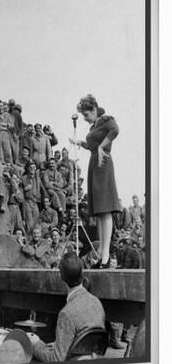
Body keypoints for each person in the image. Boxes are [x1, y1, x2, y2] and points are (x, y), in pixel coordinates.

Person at [70, 94, 120, 268]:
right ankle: (101, 255)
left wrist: (101, 146)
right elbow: (91, 145)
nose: (85, 118)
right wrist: (81, 143)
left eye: (86, 114)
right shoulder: (94, 126)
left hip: (103, 163)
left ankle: (105, 256)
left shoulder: (106, 120)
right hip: (94, 164)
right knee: (99, 212)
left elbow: (115, 130)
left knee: (105, 210)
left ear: (93, 109)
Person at [30, 252, 105, 362]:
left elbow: (56, 359)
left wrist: (36, 344)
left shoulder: (67, 313)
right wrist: (62, 344)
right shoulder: (96, 302)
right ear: (81, 273)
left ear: (61, 277)